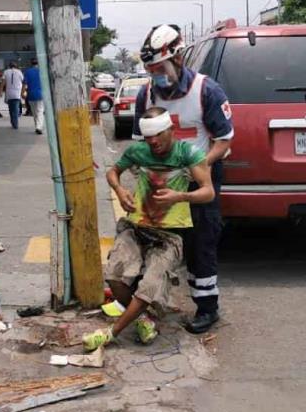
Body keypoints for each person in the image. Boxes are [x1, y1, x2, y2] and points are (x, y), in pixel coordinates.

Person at [82, 107, 215, 351]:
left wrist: (180, 196)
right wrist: (120, 191)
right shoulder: (138, 152)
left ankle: (111, 333)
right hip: (136, 227)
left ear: (170, 130)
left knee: (149, 286)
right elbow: (113, 172)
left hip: (169, 235)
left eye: (158, 135)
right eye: (148, 137)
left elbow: (208, 191)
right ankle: (144, 318)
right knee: (114, 276)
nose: (153, 141)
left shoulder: (188, 153)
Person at [134, 24, 234, 334]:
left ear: (177, 60)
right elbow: (139, 140)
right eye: (150, 69)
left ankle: (207, 308)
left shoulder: (207, 91)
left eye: (159, 68)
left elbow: (224, 140)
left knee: (200, 243)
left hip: (197, 181)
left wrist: (202, 163)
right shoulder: (147, 94)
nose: (155, 75)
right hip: (162, 182)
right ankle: (150, 304)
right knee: (154, 243)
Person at [24, 58, 45, 135]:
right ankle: (38, 127)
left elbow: (24, 84)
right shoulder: (42, 71)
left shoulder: (27, 72)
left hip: (31, 94)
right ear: (38, 63)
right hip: (40, 94)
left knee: (34, 112)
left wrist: (22, 93)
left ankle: (37, 126)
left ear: (31, 63)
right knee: (40, 111)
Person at [2, 61, 24, 130]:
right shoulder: (19, 72)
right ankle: (15, 124)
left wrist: (0, 91)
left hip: (9, 94)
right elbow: (23, 81)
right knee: (15, 109)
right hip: (17, 93)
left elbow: (3, 82)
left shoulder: (6, 72)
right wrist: (23, 92)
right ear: (16, 66)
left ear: (9, 66)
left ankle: (13, 122)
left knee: (11, 109)